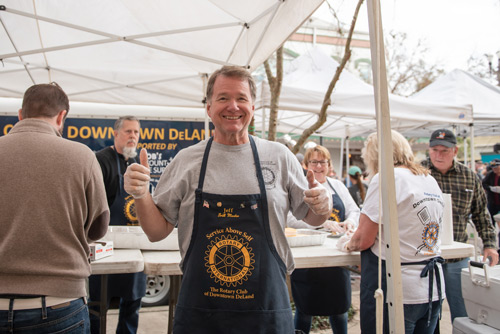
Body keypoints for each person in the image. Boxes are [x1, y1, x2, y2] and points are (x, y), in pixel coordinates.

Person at [123, 65, 332, 333]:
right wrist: (141, 195)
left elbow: (313, 217)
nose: (233, 106)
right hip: (201, 314)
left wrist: (322, 206)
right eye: (223, 98)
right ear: (209, 107)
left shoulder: (279, 157)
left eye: (241, 98)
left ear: (253, 107)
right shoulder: (186, 161)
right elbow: (155, 232)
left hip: (265, 311)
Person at [0, 83, 109, 333]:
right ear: (62, 117)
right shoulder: (82, 156)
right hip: (60, 302)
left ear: (20, 114)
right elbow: (99, 227)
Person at [338, 130, 446, 333]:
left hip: (398, 290)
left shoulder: (387, 178)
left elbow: (363, 239)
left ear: (375, 156)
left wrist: (347, 242)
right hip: (432, 288)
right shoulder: (428, 178)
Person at [421, 128, 498, 327]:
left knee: (462, 311)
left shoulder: (469, 176)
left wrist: (490, 245)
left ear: (455, 151)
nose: (438, 154)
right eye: (434, 149)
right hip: (423, 257)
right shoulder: (417, 173)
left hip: (457, 256)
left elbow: (481, 213)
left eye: (444, 150)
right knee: (427, 313)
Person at [287, 145, 360, 334]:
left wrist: (350, 222)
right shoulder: (299, 186)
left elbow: (354, 210)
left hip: (336, 257)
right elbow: (289, 219)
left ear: (329, 165)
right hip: (308, 256)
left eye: (323, 162)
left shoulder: (338, 186)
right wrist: (320, 224)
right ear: (305, 165)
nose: (318, 167)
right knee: (304, 310)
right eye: (314, 162)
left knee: (340, 310)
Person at [89, 116, 147, 334]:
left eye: (136, 133)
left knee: (133, 301)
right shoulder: (101, 160)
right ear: (116, 134)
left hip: (134, 242)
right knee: (97, 302)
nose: (133, 136)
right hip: (104, 243)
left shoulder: (137, 163)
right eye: (128, 132)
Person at [482, 158, 500, 246]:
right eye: (493, 168)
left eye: (496, 167)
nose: (494, 169)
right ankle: (491, 241)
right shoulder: (490, 175)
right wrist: (491, 188)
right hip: (493, 202)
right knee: (490, 222)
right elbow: (483, 183)